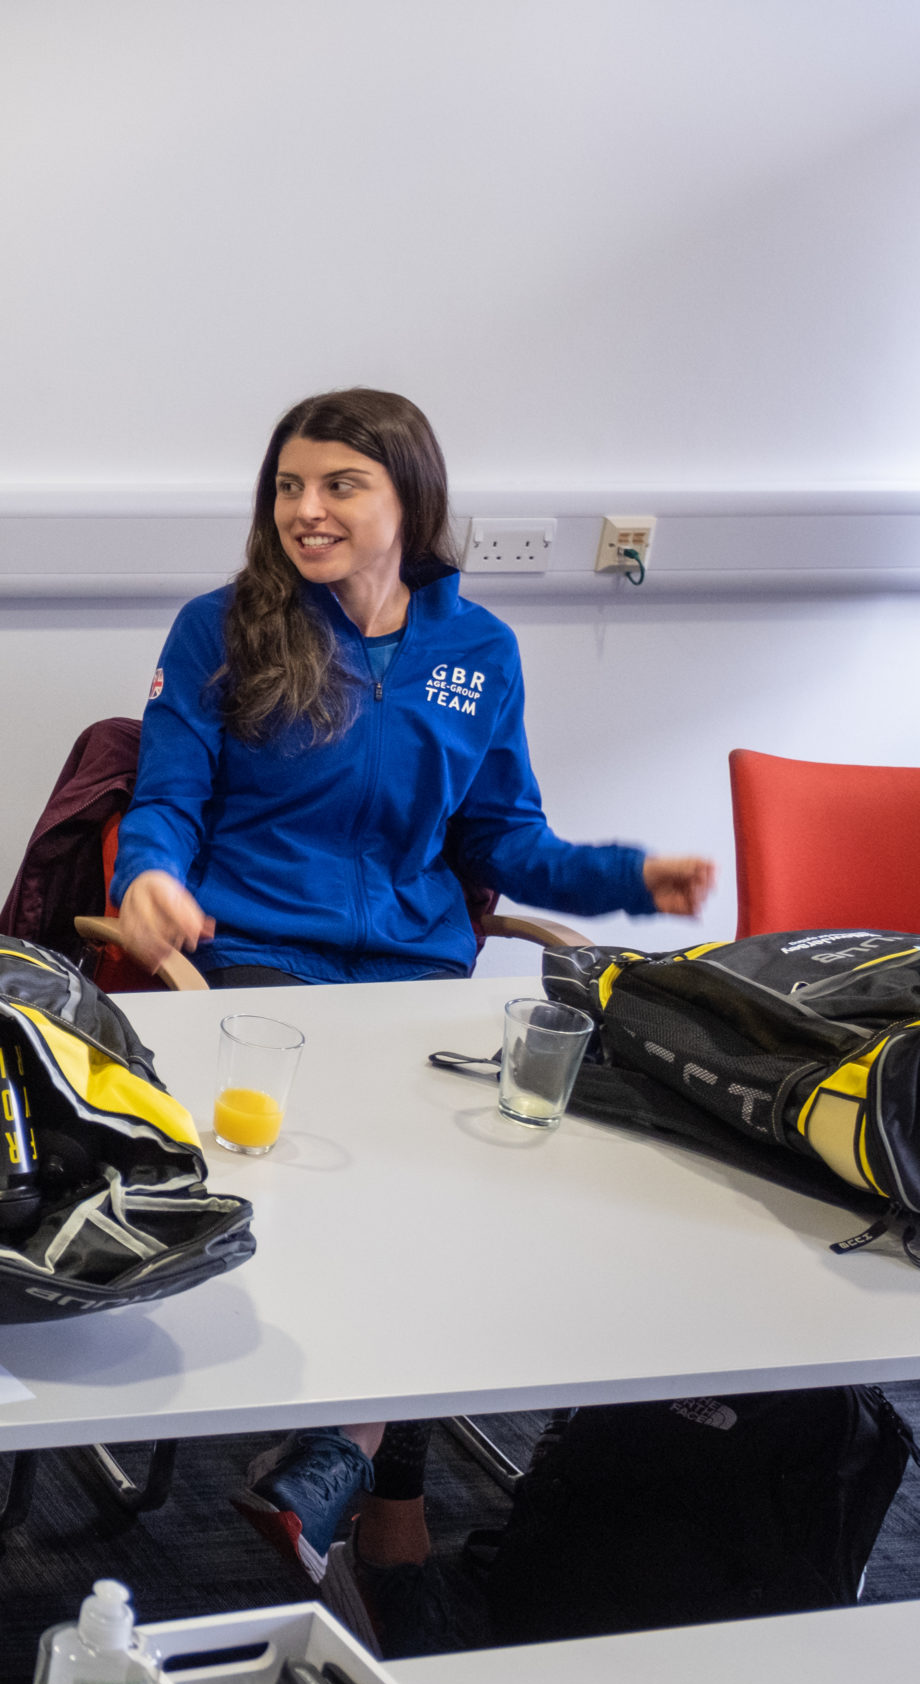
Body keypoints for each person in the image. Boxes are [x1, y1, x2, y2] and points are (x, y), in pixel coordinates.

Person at [108, 389, 714, 1609]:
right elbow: (166, 796)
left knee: (462, 1186)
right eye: (288, 486)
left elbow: (505, 841)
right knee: (380, 1178)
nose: (305, 509)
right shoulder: (221, 628)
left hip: (414, 974)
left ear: (409, 500)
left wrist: (627, 879)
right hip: (259, 962)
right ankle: (383, 1494)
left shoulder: (476, 649)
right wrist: (149, 877)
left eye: (340, 485)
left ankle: (350, 1465)